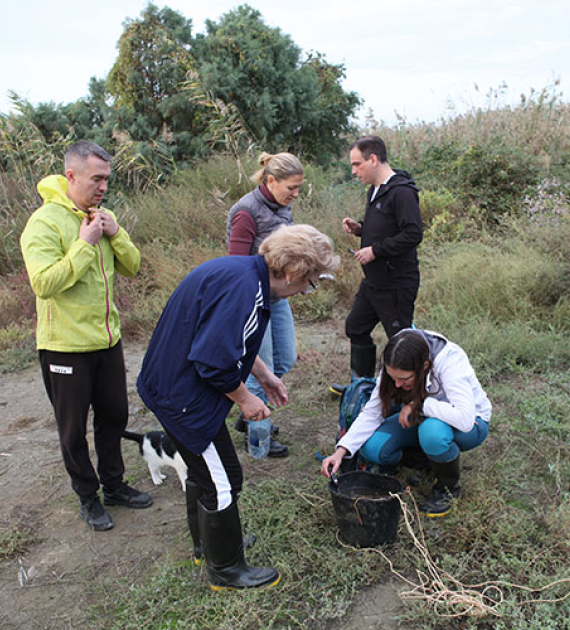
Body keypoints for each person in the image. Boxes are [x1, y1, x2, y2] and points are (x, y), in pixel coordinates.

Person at [137, 225, 340, 590]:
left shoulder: (244, 274)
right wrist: (246, 399)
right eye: (310, 283)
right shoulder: (245, 291)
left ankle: (208, 546)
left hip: (176, 385)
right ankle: (226, 570)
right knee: (222, 482)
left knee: (217, 472)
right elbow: (214, 361)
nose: (307, 292)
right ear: (293, 272)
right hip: (183, 395)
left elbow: (230, 340)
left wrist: (263, 376)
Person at [20, 140, 152, 532]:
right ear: (71, 176)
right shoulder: (43, 223)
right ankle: (87, 497)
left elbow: (132, 266)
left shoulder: (101, 215)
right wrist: (84, 245)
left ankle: (114, 485)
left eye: (107, 179)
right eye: (97, 178)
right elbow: (44, 283)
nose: (103, 187)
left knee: (114, 416)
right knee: (73, 428)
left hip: (107, 341)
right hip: (64, 347)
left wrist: (115, 232)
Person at [320, 329, 491, 518]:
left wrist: (419, 405)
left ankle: (447, 488)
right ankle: (431, 459)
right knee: (373, 447)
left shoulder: (450, 361)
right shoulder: (396, 357)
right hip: (423, 416)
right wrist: (341, 450)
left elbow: (465, 419)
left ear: (424, 366)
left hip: (471, 424)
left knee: (432, 431)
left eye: (404, 379)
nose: (397, 385)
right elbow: (372, 412)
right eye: (393, 378)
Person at [226, 152, 306, 458]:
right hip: (252, 300)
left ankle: (246, 419)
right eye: (292, 187)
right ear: (271, 180)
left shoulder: (283, 206)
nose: (295, 194)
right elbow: (235, 266)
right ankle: (258, 435)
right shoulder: (246, 212)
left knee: (284, 359)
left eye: (299, 188)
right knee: (260, 369)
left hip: (278, 296)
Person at [334, 135, 424, 393]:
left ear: (373, 159)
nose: (354, 171)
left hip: (396, 283)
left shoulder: (402, 191)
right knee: (355, 327)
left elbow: (412, 234)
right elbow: (386, 227)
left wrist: (375, 251)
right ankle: (360, 387)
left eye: (357, 164)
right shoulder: (374, 189)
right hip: (374, 282)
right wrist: (361, 229)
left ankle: (409, 394)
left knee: (401, 342)